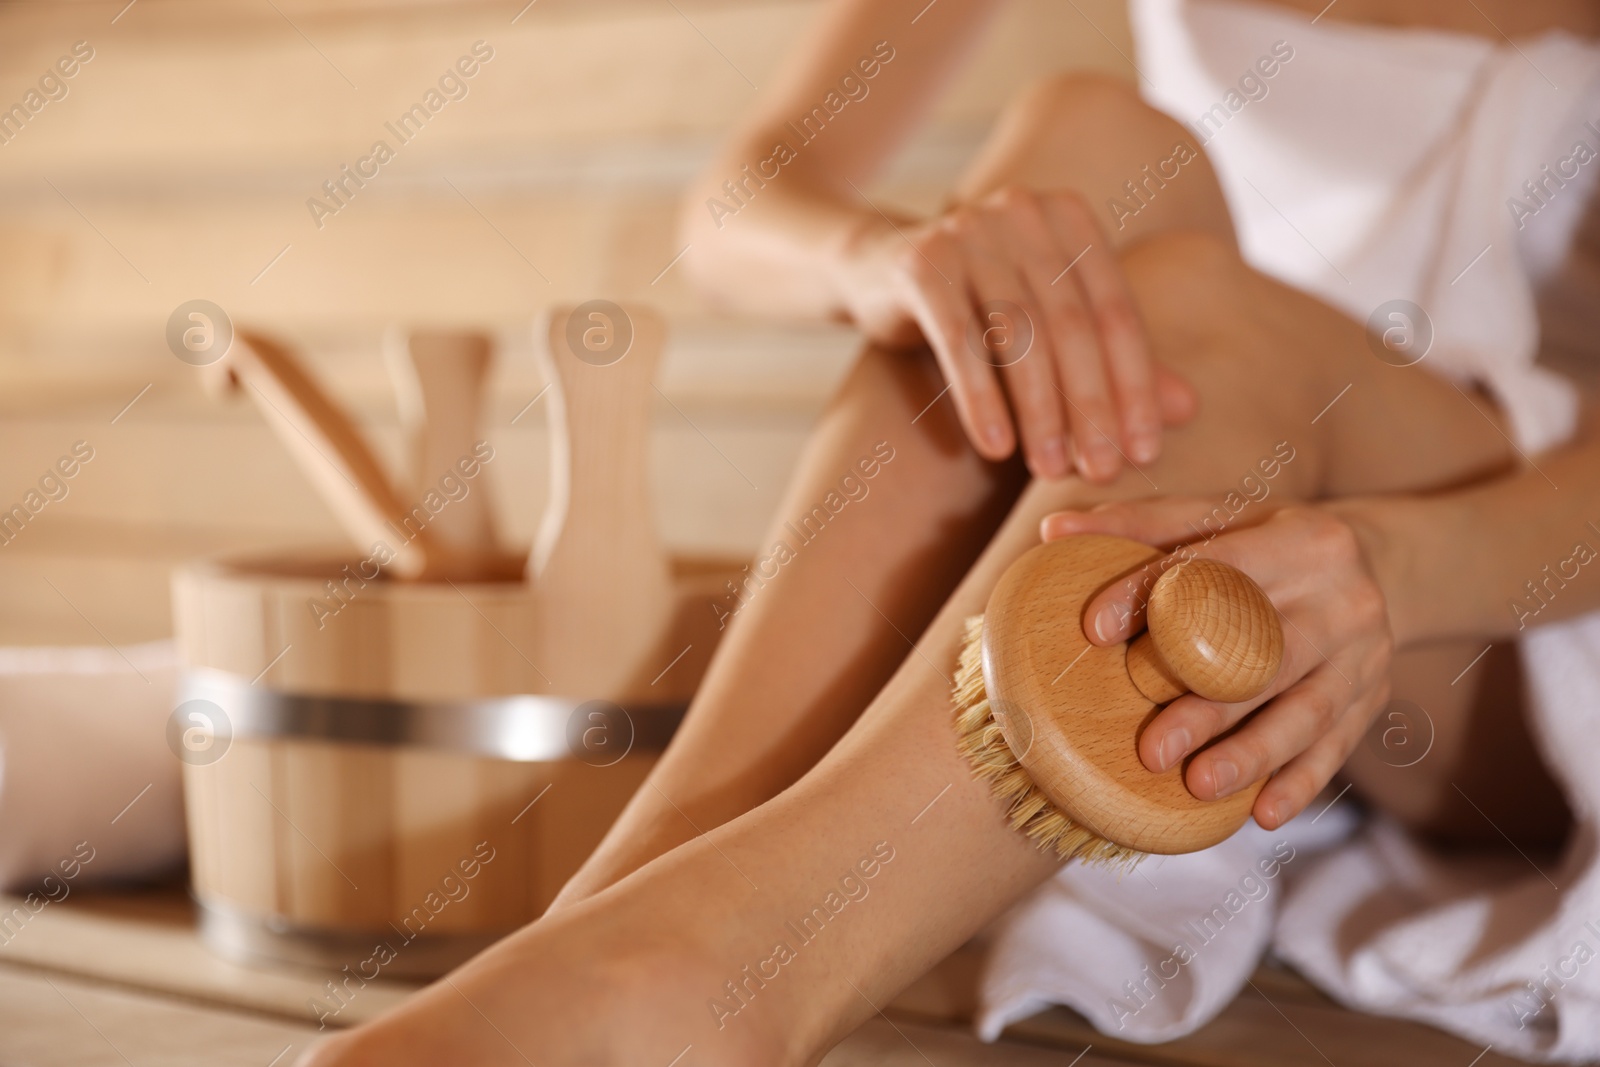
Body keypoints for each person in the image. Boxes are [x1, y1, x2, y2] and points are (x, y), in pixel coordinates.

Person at [303, 0, 1600, 1062]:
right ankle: (621, 917)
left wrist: (1386, 564)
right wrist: (876, 260)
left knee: (1206, 314)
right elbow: (738, 207)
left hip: (1509, 601)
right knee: (1074, 152)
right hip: (1188, 519)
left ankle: (721, 982)